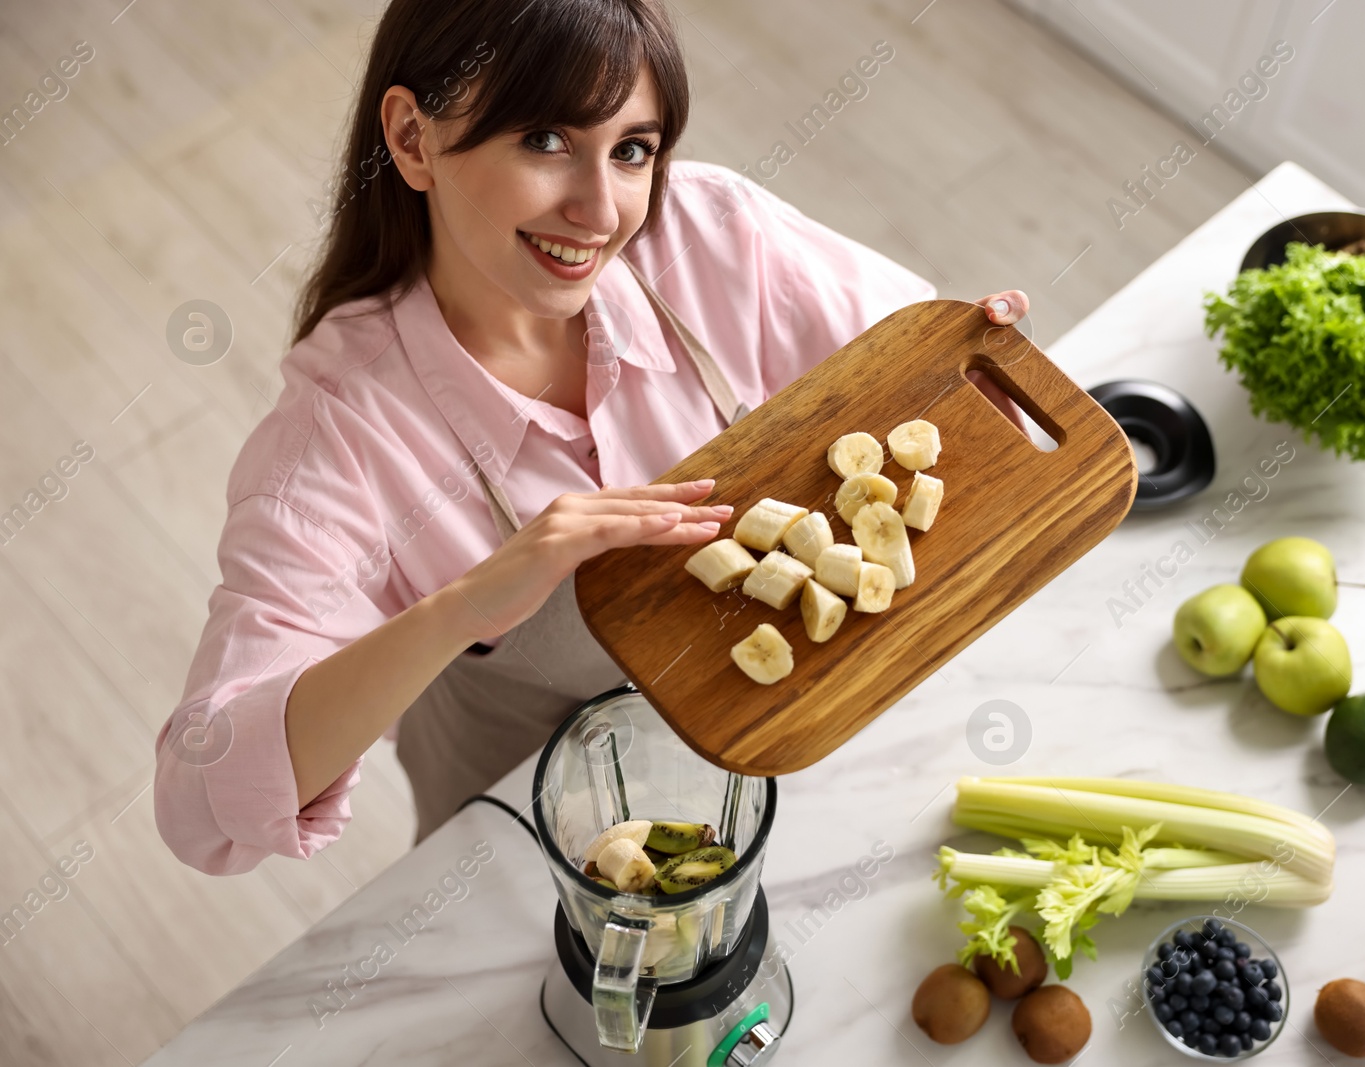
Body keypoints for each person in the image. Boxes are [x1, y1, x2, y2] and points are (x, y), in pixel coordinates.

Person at [154, 0, 1030, 874]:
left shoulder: (709, 231)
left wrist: (970, 364)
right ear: (413, 140)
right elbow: (200, 798)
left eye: (631, 151)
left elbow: (928, 375)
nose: (601, 211)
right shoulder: (340, 433)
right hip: (540, 842)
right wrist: (463, 606)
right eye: (544, 140)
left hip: (791, 733)